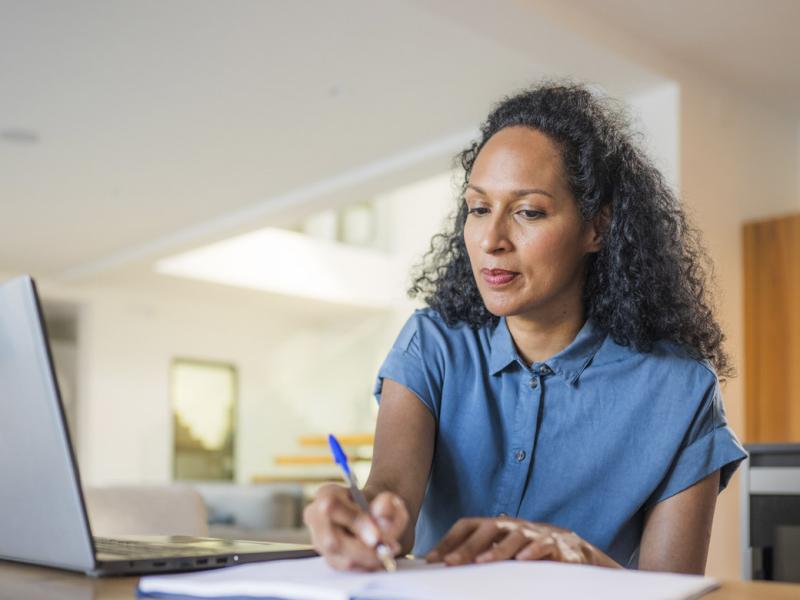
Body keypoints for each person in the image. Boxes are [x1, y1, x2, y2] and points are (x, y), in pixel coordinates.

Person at [303, 82, 747, 574]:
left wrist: (578, 556)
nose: (492, 240)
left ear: (598, 228)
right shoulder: (433, 344)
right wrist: (362, 518)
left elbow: (673, 589)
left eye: (528, 211)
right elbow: (391, 497)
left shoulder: (680, 389)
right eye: (478, 208)